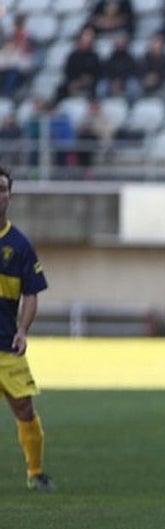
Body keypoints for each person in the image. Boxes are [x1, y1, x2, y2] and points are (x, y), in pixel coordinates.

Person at [0, 165, 54, 492]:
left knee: (24, 408)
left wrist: (23, 330)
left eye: (3, 189)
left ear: (9, 195)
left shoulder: (19, 245)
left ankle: (35, 472)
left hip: (7, 345)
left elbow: (31, 294)